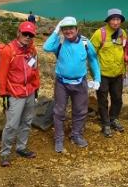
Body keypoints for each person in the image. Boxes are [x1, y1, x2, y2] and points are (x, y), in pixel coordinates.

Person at [43, 16, 101, 152]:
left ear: (77, 29)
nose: (68, 31)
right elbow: (46, 47)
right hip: (61, 83)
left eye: (71, 28)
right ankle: (59, 139)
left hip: (80, 82)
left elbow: (93, 60)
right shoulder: (60, 41)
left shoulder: (85, 43)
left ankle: (76, 135)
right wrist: (56, 31)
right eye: (65, 29)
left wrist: (97, 78)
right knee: (59, 111)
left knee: (80, 111)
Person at [0, 21, 40, 167]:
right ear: (18, 33)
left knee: (27, 121)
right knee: (12, 125)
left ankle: (21, 147)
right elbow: (2, 75)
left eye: (30, 35)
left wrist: (36, 87)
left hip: (30, 91)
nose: (27, 37)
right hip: (14, 93)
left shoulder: (32, 50)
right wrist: (3, 95)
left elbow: (35, 70)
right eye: (25, 34)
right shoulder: (9, 50)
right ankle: (5, 153)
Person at [90, 8, 127, 137]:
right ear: (109, 20)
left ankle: (113, 118)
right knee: (103, 100)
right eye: (113, 19)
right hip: (102, 74)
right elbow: (91, 53)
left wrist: (124, 70)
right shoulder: (100, 33)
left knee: (117, 98)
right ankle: (105, 124)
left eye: (118, 19)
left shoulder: (123, 34)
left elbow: (123, 50)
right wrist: (95, 74)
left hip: (118, 73)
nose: (116, 22)